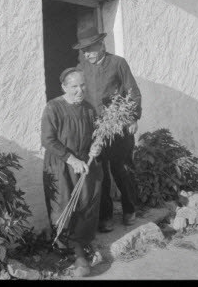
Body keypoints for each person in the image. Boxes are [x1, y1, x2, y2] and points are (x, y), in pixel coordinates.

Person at [73, 26, 142, 232]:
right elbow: (78, 94)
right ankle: (105, 215)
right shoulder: (81, 67)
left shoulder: (118, 63)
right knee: (98, 172)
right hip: (94, 129)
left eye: (91, 49)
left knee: (122, 169)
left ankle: (130, 209)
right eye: (84, 51)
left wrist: (132, 117)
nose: (87, 54)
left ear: (102, 45)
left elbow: (132, 91)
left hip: (118, 125)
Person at [41, 68, 102, 276]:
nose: (79, 90)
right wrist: (71, 159)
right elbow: (48, 140)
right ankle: (67, 248)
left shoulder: (89, 109)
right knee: (63, 203)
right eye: (74, 86)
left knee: (86, 201)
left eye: (83, 85)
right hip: (60, 164)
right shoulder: (53, 108)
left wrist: (96, 146)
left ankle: (80, 245)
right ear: (64, 87)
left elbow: (96, 135)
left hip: (84, 163)